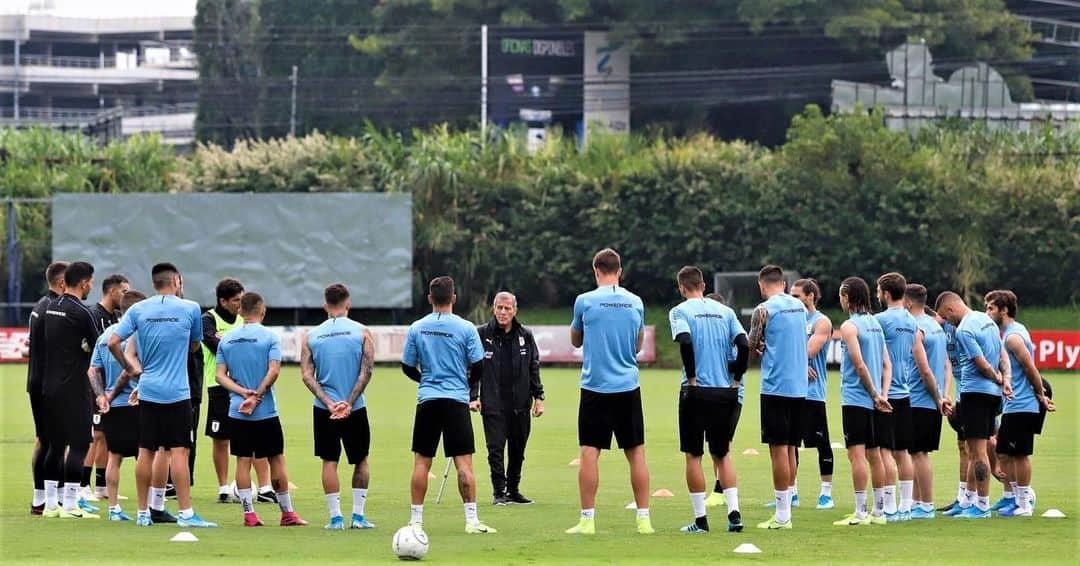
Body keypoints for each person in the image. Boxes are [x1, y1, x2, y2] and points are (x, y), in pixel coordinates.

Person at [108, 262, 216, 527]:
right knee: (179, 450)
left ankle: (143, 512)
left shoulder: (138, 309)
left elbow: (113, 342)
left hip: (148, 389)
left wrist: (131, 369)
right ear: (177, 280)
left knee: (146, 450)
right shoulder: (190, 308)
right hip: (178, 391)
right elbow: (193, 346)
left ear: (154, 283)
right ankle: (186, 513)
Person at [565, 249, 652, 536]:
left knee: (589, 452)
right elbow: (639, 345)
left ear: (595, 270)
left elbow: (575, 340)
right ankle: (643, 519)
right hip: (628, 385)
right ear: (620, 271)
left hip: (595, 387)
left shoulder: (585, 301)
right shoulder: (636, 302)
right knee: (636, 453)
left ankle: (587, 520)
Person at [401, 276, 495, 535]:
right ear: (454, 298)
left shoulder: (417, 327)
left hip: (428, 399)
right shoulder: (466, 328)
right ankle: (472, 521)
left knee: (422, 463)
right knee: (464, 464)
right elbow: (478, 366)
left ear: (430, 298)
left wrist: (425, 380)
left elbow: (407, 366)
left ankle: (415, 521)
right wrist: (465, 386)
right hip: (455, 400)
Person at [215, 292, 307, 527]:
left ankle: (249, 514)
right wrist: (257, 395)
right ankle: (287, 513)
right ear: (262, 311)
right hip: (265, 410)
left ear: (239, 311)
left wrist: (242, 392)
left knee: (242, 461)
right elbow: (274, 370)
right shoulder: (270, 337)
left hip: (237, 409)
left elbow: (219, 376)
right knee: (276, 460)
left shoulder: (227, 339)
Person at [668, 266, 748, 533]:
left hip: (695, 391)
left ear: (682, 287)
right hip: (725, 391)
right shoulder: (726, 312)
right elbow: (744, 343)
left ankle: (701, 519)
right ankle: (734, 513)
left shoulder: (680, 311)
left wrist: (691, 378)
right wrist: (736, 378)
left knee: (693, 455)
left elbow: (686, 341)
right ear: (703, 284)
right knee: (722, 453)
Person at [300, 283, 376, 530]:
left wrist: (330, 403)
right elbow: (367, 370)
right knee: (361, 459)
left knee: (329, 461)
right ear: (348, 303)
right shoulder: (362, 332)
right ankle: (358, 516)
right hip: (355, 407)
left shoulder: (311, 336)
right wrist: (349, 403)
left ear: (325, 306)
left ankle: (335, 518)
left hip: (325, 409)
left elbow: (307, 375)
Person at [934, 291, 1011, 519]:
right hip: (992, 397)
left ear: (950, 309)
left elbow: (981, 364)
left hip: (974, 394)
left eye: (946, 318)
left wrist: (997, 378)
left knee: (977, 453)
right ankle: (970, 501)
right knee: (976, 449)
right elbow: (1002, 355)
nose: (948, 322)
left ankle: (981, 506)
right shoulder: (986, 320)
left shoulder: (964, 329)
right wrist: (1005, 379)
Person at [201, 278, 274, 504]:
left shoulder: (244, 322)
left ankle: (265, 487)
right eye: (235, 301)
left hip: (247, 385)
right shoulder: (208, 319)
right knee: (221, 439)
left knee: (254, 438)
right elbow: (216, 345)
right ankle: (224, 487)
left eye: (242, 300)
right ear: (223, 301)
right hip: (219, 387)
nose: (240, 305)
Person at [985, 290, 1055, 517]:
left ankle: (1025, 503)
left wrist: (1040, 395)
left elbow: (1030, 369)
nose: (988, 313)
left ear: (1004, 310)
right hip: (1013, 404)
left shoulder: (1013, 337)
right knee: (1004, 453)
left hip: (1022, 403)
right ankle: (1016, 498)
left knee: (1020, 454)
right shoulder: (1011, 333)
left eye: (991, 308)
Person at [747, 265, 807, 530]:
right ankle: (789, 501)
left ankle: (782, 515)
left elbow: (752, 345)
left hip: (775, 386)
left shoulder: (764, 310)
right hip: (799, 387)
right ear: (783, 283)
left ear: (762, 285)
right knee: (792, 447)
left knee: (778, 449)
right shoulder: (800, 308)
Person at [41, 261, 101, 519]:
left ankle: (51, 505)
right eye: (91, 283)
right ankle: (70, 506)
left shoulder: (51, 307)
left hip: (49, 387)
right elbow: (98, 348)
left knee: (55, 446)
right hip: (74, 388)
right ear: (85, 282)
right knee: (79, 445)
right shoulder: (82, 312)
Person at [474, 291, 545, 506]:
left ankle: (513, 490)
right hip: (493, 402)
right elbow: (473, 369)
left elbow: (534, 367)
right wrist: (472, 396)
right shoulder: (481, 334)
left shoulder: (525, 335)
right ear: (493, 309)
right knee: (495, 449)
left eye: (507, 308)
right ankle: (499, 492)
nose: (503, 312)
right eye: (499, 308)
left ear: (515, 311)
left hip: (520, 403)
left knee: (518, 449)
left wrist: (539, 397)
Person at [831, 277, 892, 526]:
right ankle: (879, 513)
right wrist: (882, 395)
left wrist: (874, 395)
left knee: (856, 456)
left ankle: (860, 512)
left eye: (841, 297)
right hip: (877, 400)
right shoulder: (876, 324)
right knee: (874, 455)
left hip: (857, 399)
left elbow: (858, 364)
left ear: (848, 297)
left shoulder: (849, 326)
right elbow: (887, 365)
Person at [89, 289, 144, 521]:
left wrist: (101, 396)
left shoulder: (105, 336)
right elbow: (130, 371)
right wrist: (109, 396)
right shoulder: (138, 335)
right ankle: (147, 507)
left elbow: (93, 370)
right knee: (146, 455)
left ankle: (113, 509)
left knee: (115, 456)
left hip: (113, 408)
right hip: (136, 402)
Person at [874, 272, 921, 521]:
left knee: (884, 450)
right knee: (903, 451)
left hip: (886, 392)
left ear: (886, 293)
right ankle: (906, 505)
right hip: (905, 391)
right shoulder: (912, 321)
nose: (877, 295)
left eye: (878, 291)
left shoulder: (880, 320)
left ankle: (889, 505)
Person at [904, 284, 951, 519]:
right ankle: (915, 501)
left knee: (918, 454)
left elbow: (924, 371)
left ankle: (927, 504)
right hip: (933, 399)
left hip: (919, 398)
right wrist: (944, 395)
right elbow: (946, 364)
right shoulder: (936, 326)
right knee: (917, 452)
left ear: (909, 303)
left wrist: (937, 397)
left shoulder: (916, 328)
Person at [83, 273, 129, 501]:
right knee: (95, 435)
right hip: (96, 384)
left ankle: (101, 486)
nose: (126, 295)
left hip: (112, 387)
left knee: (105, 436)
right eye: (123, 290)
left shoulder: (117, 317)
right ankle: (82, 485)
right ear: (112, 291)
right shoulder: (93, 315)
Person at [791, 278, 835, 510]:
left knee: (821, 443)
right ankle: (791, 493)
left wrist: (795, 360)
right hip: (791, 390)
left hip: (813, 392)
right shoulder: (790, 320)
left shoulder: (822, 322)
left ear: (810, 296)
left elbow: (810, 350)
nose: (793, 300)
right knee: (789, 444)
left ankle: (826, 494)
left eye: (797, 296)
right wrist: (797, 363)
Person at [27, 261, 67, 516]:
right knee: (54, 442)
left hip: (36, 381)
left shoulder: (40, 305)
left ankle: (40, 499)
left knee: (45, 440)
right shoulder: (55, 308)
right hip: (49, 384)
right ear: (62, 282)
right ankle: (51, 500)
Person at [702, 292, 743, 510]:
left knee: (721, 447)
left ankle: (721, 491)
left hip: (730, 395)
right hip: (717, 393)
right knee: (715, 446)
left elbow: (739, 360)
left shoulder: (730, 330)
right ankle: (720, 488)